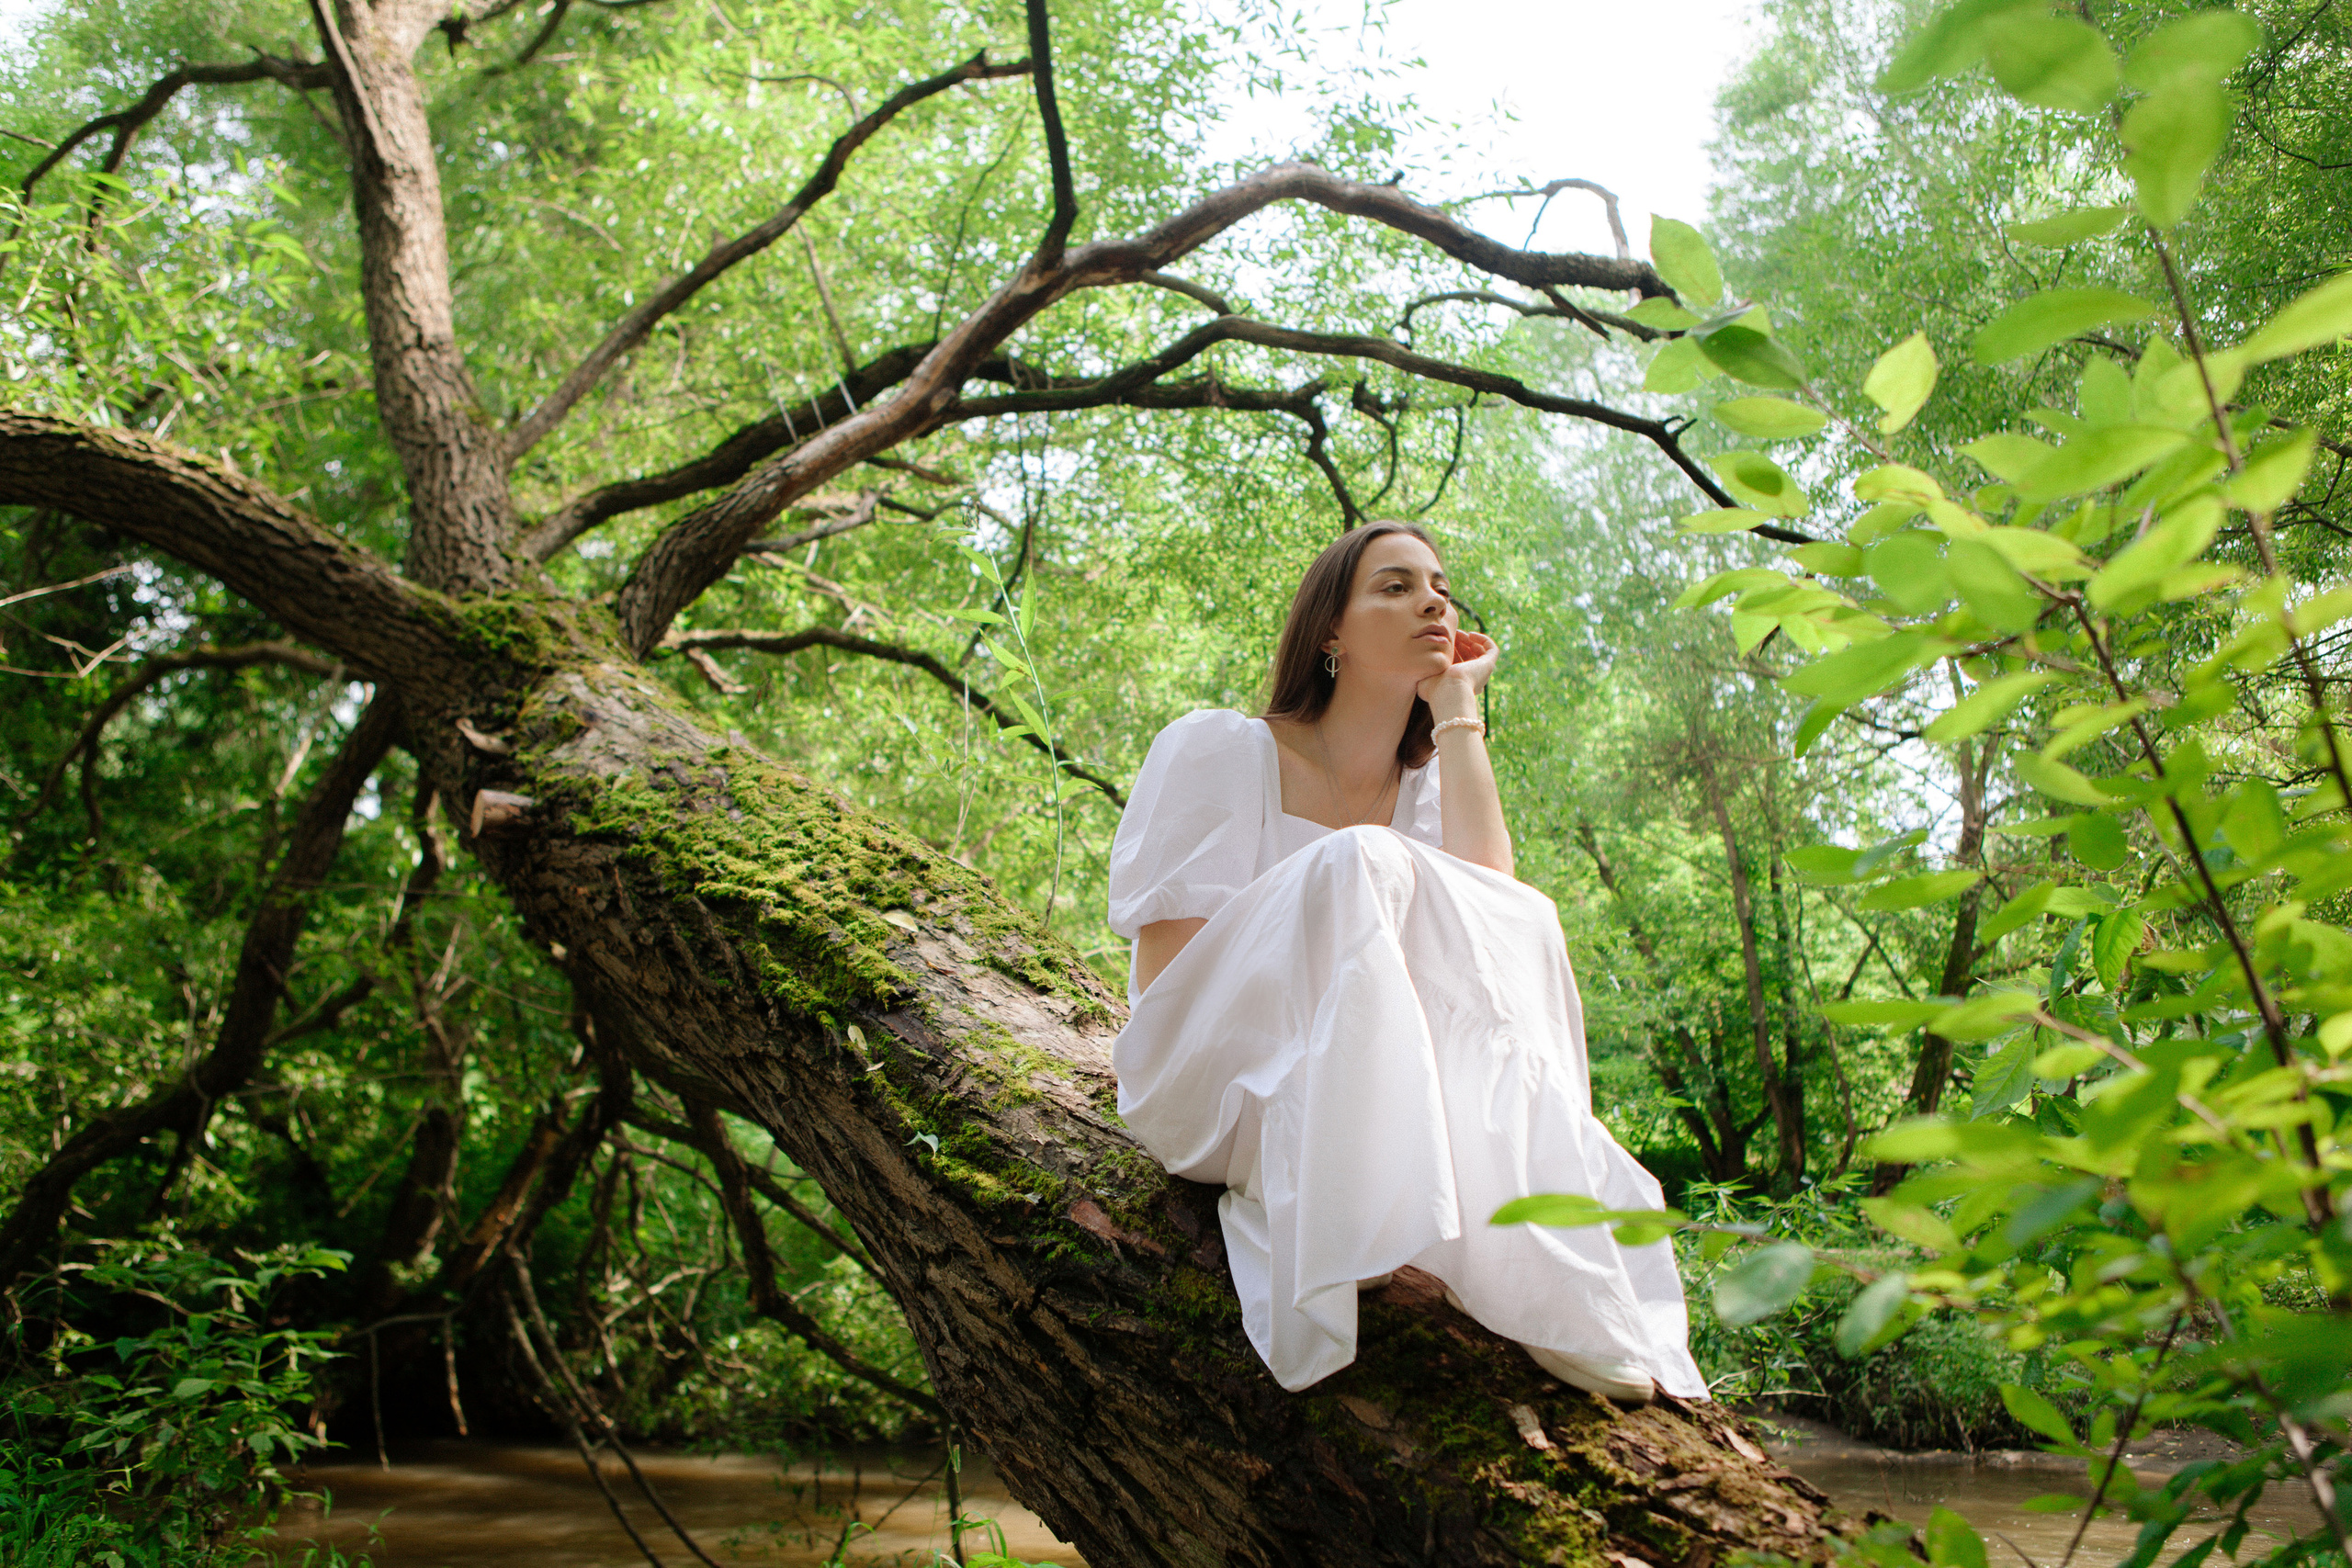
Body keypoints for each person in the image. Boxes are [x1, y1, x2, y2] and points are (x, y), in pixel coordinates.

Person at [1106, 521, 1706, 1404]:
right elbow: (1169, 988)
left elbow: (1495, 924)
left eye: (1439, 586)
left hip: (1369, 1092)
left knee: (1525, 911)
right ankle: (1345, 1207)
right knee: (1363, 861)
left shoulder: (1424, 793)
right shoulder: (1220, 748)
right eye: (1393, 585)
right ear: (1329, 635)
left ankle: (1556, 1280)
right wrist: (1297, 1075)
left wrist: (1458, 709)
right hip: (1206, 1077)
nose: (1432, 599)